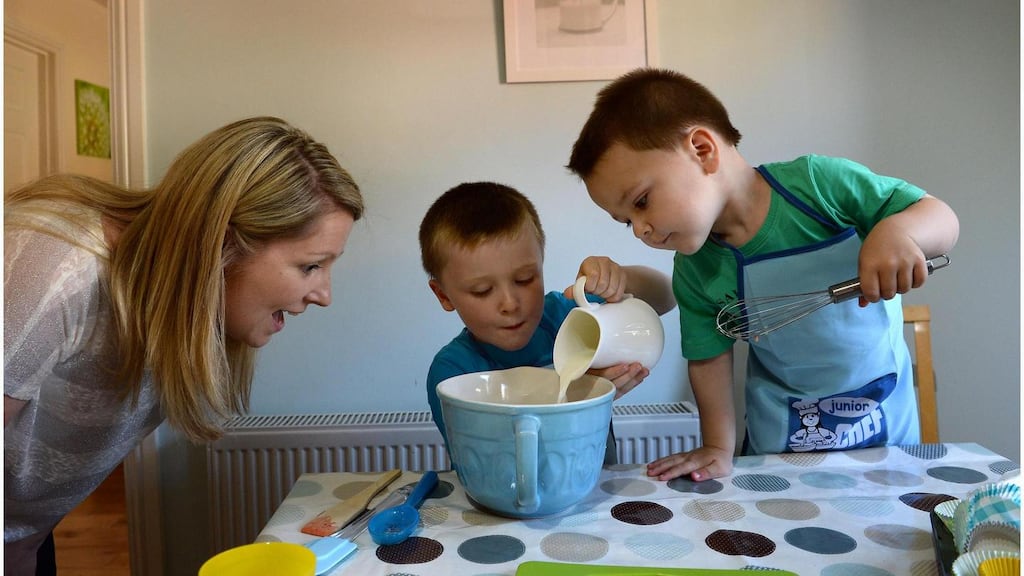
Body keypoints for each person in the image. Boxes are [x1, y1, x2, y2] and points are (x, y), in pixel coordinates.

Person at [4, 116, 365, 574]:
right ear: (222, 245)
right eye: (311, 266)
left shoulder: (183, 309)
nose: (323, 295)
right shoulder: (53, 266)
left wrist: (23, 549)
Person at [566, 68, 959, 482]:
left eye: (642, 202)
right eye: (626, 221)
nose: (641, 229)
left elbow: (941, 218)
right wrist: (718, 447)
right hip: (779, 446)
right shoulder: (695, 266)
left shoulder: (817, 185)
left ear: (702, 150)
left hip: (887, 435)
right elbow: (708, 359)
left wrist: (898, 230)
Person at [419, 181, 676, 466]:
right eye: (482, 291)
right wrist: (581, 399)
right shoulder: (453, 372)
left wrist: (619, 279)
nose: (510, 304)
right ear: (444, 295)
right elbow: (493, 462)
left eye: (525, 279)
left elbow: (667, 295)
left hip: (599, 491)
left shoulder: (568, 318)